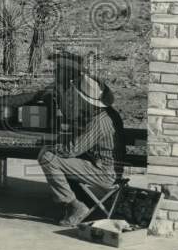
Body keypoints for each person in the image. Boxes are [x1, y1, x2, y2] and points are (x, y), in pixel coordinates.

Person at [37, 73, 122, 227]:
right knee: (55, 155)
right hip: (106, 166)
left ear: (85, 100)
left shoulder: (99, 122)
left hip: (104, 173)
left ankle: (74, 206)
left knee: (47, 157)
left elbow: (71, 150)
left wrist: (52, 147)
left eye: (78, 96)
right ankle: (74, 201)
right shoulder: (106, 114)